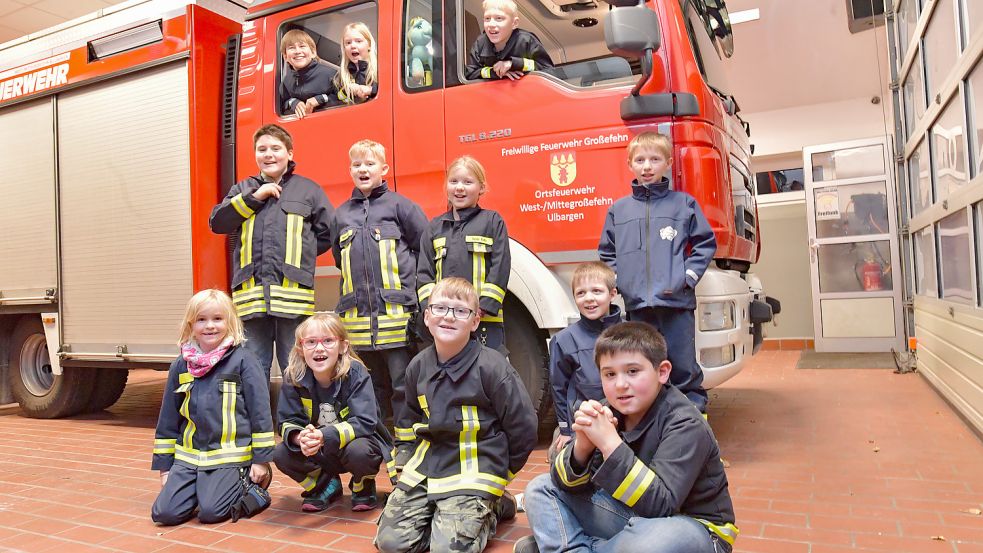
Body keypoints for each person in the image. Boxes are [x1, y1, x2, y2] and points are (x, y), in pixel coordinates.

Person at [516, 322, 738, 553]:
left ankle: (569, 543)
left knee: (653, 543)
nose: (621, 385)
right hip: (631, 517)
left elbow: (661, 506)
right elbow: (563, 483)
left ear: (662, 372)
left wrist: (610, 443)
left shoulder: (685, 422)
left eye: (633, 371)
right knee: (540, 488)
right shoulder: (606, 410)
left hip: (691, 530)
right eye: (610, 374)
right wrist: (582, 446)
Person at [375, 277, 538, 553]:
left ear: (475, 322)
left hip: (475, 471)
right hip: (427, 468)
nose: (448, 317)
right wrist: (403, 460)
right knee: (391, 543)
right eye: (439, 308)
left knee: (448, 550)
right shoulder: (417, 367)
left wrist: (501, 474)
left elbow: (524, 428)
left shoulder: (493, 368)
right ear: (427, 317)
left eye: (460, 311)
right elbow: (407, 420)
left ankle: (493, 505)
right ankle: (447, 514)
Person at [597, 132, 716, 412]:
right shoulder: (619, 210)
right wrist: (621, 282)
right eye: (640, 160)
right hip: (638, 306)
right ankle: (654, 426)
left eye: (655, 159)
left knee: (683, 369)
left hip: (676, 303)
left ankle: (693, 429)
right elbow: (607, 252)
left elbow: (705, 243)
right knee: (644, 368)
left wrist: (687, 278)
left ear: (668, 164)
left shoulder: (683, 204)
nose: (647, 166)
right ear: (630, 164)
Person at [330, 139, 428, 469]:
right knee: (367, 388)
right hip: (357, 325)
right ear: (350, 170)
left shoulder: (401, 207)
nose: (363, 169)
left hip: (396, 320)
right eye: (357, 164)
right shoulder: (341, 215)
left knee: (403, 385)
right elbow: (337, 258)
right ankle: (376, 444)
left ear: (384, 169)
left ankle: (405, 446)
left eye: (370, 164)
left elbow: (424, 250)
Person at [209, 124, 334, 381]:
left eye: (276, 148)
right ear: (255, 154)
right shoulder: (242, 189)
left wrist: (301, 256)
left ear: (290, 153)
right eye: (262, 149)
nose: (269, 154)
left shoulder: (308, 190)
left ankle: (295, 421)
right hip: (251, 298)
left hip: (293, 299)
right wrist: (255, 197)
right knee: (253, 369)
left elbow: (327, 234)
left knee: (297, 365)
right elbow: (218, 223)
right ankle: (258, 422)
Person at [151, 289, 275, 526]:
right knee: (163, 514)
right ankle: (200, 486)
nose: (210, 326)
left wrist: (261, 460)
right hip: (189, 458)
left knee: (211, 512)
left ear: (230, 323)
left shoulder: (244, 361)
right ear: (191, 325)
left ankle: (252, 487)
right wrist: (165, 468)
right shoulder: (181, 365)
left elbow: (260, 413)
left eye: (217, 319)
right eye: (201, 319)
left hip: (229, 457)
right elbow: (167, 420)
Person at [273, 313, 395, 512]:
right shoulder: (293, 376)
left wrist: (323, 435)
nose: (319, 348)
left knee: (360, 451)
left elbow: (365, 421)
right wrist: (300, 438)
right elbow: (287, 420)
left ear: (343, 346)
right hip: (319, 450)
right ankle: (325, 485)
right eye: (311, 342)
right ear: (300, 349)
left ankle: (362, 486)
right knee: (280, 453)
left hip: (354, 445)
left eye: (328, 341)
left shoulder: (356, 373)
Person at [417, 155, 510, 353]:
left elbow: (500, 267)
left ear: (481, 188)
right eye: (454, 181)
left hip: (484, 320)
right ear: (446, 186)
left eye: (468, 182)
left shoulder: (492, 222)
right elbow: (425, 275)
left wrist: (482, 307)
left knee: (487, 373)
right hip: (445, 322)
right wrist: (432, 309)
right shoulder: (434, 228)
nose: (460, 187)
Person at [547, 261, 622, 462]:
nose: (589, 298)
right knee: (561, 459)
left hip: (624, 420)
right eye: (581, 293)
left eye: (597, 291)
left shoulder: (629, 334)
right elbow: (558, 387)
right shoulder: (564, 340)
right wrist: (564, 429)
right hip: (585, 422)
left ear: (612, 293)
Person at [465, 0, 553, 81]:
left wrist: (513, 64)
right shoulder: (480, 43)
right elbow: (469, 73)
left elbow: (548, 69)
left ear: (514, 23)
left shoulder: (526, 40)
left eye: (499, 18)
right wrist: (495, 72)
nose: (491, 24)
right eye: (487, 18)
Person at [278, 29, 336, 119]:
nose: (297, 51)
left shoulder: (331, 74)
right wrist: (292, 102)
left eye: (302, 46)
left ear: (313, 53)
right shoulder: (286, 81)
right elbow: (282, 104)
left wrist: (322, 99)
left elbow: (346, 99)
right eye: (291, 48)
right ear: (285, 57)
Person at [328, 22, 378, 105]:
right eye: (348, 43)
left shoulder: (382, 68)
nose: (353, 46)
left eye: (358, 41)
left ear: (369, 45)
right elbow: (335, 101)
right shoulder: (341, 76)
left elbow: (393, 90)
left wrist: (371, 90)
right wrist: (346, 91)